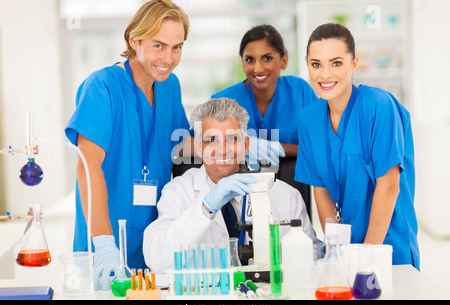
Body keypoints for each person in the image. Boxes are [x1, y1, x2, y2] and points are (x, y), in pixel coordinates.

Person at [65, 0, 192, 290]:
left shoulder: (170, 85)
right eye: (158, 45)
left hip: (154, 243)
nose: (169, 58)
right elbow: (87, 167)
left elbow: (181, 143)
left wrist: (233, 143)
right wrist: (104, 245)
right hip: (107, 243)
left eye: (177, 47)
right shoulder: (102, 87)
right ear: (134, 40)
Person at [143, 98, 323, 273]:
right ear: (198, 148)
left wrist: (275, 257)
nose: (222, 149)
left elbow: (315, 252)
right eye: (211, 139)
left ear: (245, 145)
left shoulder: (285, 195)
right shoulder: (178, 192)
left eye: (232, 139)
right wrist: (206, 207)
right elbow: (158, 260)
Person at [295, 23, 419, 269]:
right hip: (347, 251)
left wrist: (366, 261)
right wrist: (338, 252)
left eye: (336, 63)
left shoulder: (378, 106)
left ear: (353, 64)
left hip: (388, 247)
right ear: (307, 64)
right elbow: (320, 190)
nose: (325, 74)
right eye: (316, 64)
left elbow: (389, 186)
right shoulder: (309, 119)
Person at [212, 24, 317, 168]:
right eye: (250, 60)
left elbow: (320, 147)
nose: (258, 68)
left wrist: (277, 148)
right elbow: (199, 144)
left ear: (284, 61)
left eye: (267, 58)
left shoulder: (300, 92)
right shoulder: (223, 100)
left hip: (293, 183)